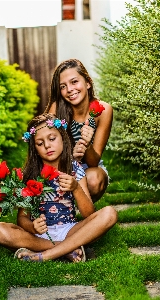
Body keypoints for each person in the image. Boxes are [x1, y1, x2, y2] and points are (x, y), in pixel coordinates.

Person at [0, 113, 117, 262]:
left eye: (52, 138)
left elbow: (88, 213)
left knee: (109, 214)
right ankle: (67, 249)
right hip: (39, 236)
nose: (47, 146)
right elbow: (22, 218)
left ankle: (45, 255)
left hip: (70, 230)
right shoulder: (29, 175)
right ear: (34, 148)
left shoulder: (74, 168)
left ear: (62, 138)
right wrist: (32, 227)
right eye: (40, 143)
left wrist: (76, 188)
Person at [45, 59, 113, 203]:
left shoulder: (103, 110)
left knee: (94, 180)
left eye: (74, 82)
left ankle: (81, 211)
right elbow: (46, 153)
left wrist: (87, 145)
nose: (69, 89)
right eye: (63, 86)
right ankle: (63, 211)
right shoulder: (56, 110)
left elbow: (94, 161)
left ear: (87, 83)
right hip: (62, 165)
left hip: (89, 167)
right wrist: (70, 157)